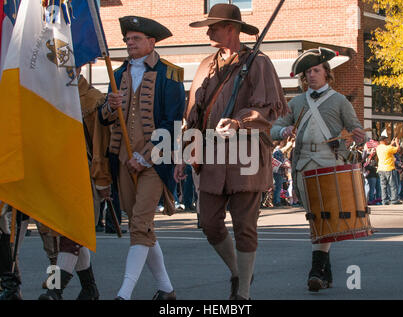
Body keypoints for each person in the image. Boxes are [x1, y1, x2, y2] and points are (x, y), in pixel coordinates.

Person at [174, 4, 288, 300]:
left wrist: (239, 122)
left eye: (214, 26)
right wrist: (185, 153)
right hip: (211, 156)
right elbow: (192, 115)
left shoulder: (259, 62)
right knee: (210, 223)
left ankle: (244, 293)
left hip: (245, 158)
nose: (209, 31)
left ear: (232, 30)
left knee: (244, 227)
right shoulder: (204, 66)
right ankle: (238, 272)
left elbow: (270, 109)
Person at [99, 16, 185, 300]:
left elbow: (172, 124)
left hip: (154, 162)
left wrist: (146, 157)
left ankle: (124, 294)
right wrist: (109, 108)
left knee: (139, 224)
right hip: (123, 159)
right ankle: (166, 289)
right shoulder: (118, 74)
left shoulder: (170, 74)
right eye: (127, 39)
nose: (129, 43)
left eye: (135, 39)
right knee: (141, 223)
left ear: (152, 42)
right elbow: (104, 120)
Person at [271, 47, 365, 292]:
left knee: (320, 217)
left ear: (326, 73)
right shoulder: (297, 102)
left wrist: (359, 137)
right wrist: (283, 131)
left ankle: (315, 271)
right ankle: (326, 274)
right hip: (303, 164)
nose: (311, 75)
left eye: (316, 70)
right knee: (317, 217)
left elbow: (356, 130)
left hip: (330, 162)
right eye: (308, 72)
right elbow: (274, 127)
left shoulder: (340, 100)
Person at [38, 71, 107, 301]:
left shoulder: (93, 100)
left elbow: (99, 145)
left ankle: (54, 290)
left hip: (81, 174)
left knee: (71, 236)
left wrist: (101, 180)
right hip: (51, 173)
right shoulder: (43, 94)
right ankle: (89, 288)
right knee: (59, 239)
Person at [375, 135, 402, 205]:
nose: (387, 141)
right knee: (393, 185)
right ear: (383, 140)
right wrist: (397, 142)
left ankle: (384, 200)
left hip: (380, 169)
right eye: (386, 140)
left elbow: (387, 149)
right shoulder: (388, 148)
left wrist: (391, 144)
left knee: (383, 186)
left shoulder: (378, 147)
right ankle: (394, 200)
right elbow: (398, 149)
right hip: (389, 168)